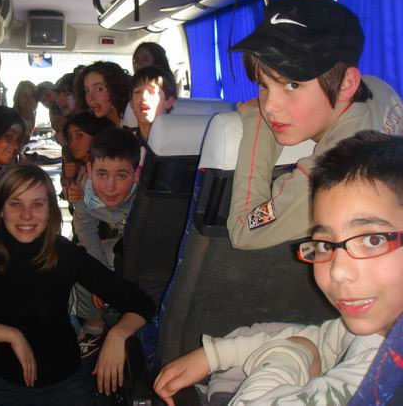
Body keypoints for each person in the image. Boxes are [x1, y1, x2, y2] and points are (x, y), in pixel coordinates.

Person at [154, 130, 403, 405]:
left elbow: (246, 229)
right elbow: (325, 338)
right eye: (324, 245)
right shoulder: (376, 326)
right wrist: (216, 354)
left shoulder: (380, 379)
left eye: (373, 240)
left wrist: (290, 353)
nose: (337, 272)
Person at [0, 164, 154, 405]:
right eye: (15, 204)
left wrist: (118, 334)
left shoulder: (63, 252)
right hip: (2, 380)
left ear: (50, 209)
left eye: (37, 205)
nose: (26, 215)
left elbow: (140, 302)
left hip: (65, 378)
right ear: (0, 209)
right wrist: (12, 335)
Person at [226, 0, 403, 250]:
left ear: (346, 84)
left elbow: (243, 230)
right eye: (263, 85)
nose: (269, 106)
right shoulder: (378, 87)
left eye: (292, 85)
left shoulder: (333, 175)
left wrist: (257, 123)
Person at [72, 128, 141, 358]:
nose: (110, 187)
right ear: (89, 170)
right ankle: (93, 327)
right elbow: (87, 232)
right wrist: (101, 281)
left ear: (137, 174)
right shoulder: (83, 191)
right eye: (102, 174)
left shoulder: (146, 194)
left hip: (142, 242)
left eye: (121, 176)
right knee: (81, 263)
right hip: (116, 239)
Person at [62, 112, 115, 204]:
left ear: (97, 135)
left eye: (79, 136)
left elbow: (115, 209)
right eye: (70, 138)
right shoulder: (83, 168)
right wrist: (68, 179)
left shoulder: (109, 170)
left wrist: (83, 197)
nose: (72, 144)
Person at [75, 61, 131, 126]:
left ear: (115, 88)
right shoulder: (97, 126)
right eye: (87, 91)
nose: (90, 98)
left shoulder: (133, 116)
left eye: (99, 89)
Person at [130, 65, 176, 142]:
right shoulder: (124, 144)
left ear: (169, 102)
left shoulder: (178, 143)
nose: (144, 96)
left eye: (152, 92)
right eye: (137, 92)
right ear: (131, 103)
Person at [13, 80, 38, 144]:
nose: (28, 99)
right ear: (17, 98)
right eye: (24, 96)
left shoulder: (32, 114)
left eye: (32, 96)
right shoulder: (11, 118)